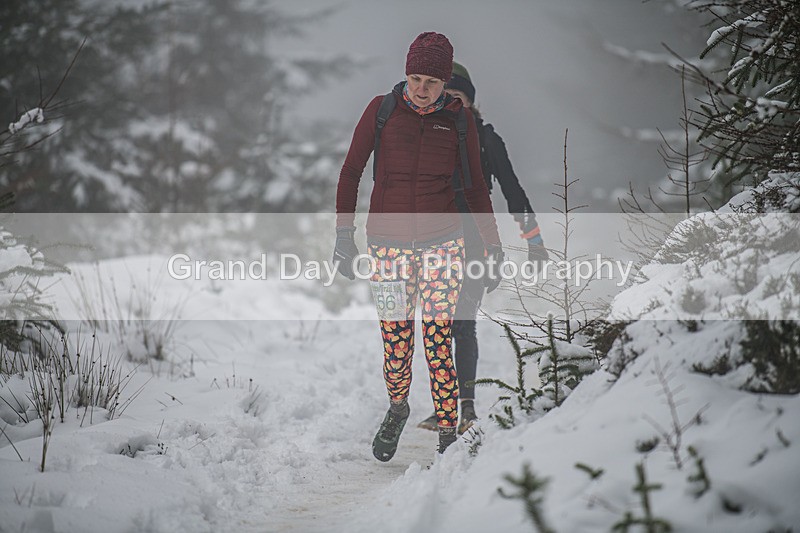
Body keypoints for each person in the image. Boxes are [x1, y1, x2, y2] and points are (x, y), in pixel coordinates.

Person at [333, 33, 503, 461]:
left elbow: (475, 188)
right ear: (405, 74)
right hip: (387, 248)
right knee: (396, 341)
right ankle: (398, 407)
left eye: (431, 81)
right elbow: (351, 171)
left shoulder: (458, 121)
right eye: (415, 79)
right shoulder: (382, 111)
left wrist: (493, 246)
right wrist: (343, 236)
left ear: (445, 82)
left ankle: (447, 431)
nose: (421, 89)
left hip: (442, 245)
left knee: (438, 339)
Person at [416, 61, 549, 435]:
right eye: (445, 97)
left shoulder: (488, 140)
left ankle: (467, 408)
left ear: (471, 101)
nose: (451, 103)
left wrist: (534, 240)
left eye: (457, 96)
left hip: (476, 244)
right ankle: (445, 406)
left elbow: (513, 191)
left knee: (462, 323)